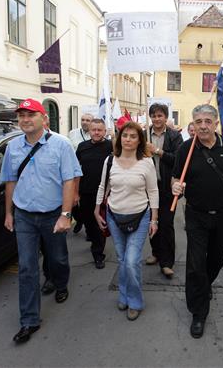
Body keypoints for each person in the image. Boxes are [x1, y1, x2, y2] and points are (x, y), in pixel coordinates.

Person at [0, 98, 82, 344]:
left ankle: (60, 283)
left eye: (30, 115)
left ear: (43, 118)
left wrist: (66, 215)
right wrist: (9, 213)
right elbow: (10, 182)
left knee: (57, 257)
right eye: (21, 116)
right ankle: (29, 320)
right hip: (24, 215)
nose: (25, 120)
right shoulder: (13, 148)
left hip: (52, 214)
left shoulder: (61, 145)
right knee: (27, 268)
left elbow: (69, 180)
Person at [172, 104, 223, 339]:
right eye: (198, 121)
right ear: (192, 124)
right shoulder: (186, 148)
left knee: (217, 257)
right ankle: (198, 312)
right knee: (195, 265)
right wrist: (175, 186)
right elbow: (176, 178)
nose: (202, 125)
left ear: (215, 123)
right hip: (195, 215)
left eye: (207, 121)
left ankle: (204, 286)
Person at [94, 121, 158, 321]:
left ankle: (135, 301)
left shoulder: (146, 163)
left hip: (140, 217)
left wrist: (154, 219)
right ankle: (124, 295)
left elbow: (153, 191)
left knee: (131, 262)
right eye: (125, 135)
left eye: (133, 136)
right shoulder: (110, 161)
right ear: (119, 138)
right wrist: (97, 210)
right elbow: (103, 187)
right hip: (114, 216)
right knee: (122, 261)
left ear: (140, 141)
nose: (128, 139)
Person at [145, 103, 183, 277]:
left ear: (166, 117)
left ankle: (167, 262)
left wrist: (158, 151)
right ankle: (156, 253)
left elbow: (178, 160)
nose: (157, 118)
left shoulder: (175, 136)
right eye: (154, 115)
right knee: (152, 222)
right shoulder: (144, 135)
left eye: (160, 115)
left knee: (166, 225)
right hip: (148, 188)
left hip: (167, 187)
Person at [76, 119, 113, 269]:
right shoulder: (82, 147)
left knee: (100, 224)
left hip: (103, 192)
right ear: (89, 131)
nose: (96, 133)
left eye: (100, 130)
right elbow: (75, 168)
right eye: (94, 130)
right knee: (88, 222)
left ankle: (98, 254)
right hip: (85, 191)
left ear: (104, 131)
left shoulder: (111, 146)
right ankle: (94, 241)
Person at [69, 113, 94, 234]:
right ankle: (79, 219)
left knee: (84, 202)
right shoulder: (72, 133)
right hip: (73, 172)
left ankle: (89, 228)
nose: (85, 122)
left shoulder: (95, 134)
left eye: (88, 120)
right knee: (72, 201)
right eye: (83, 120)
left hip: (87, 174)